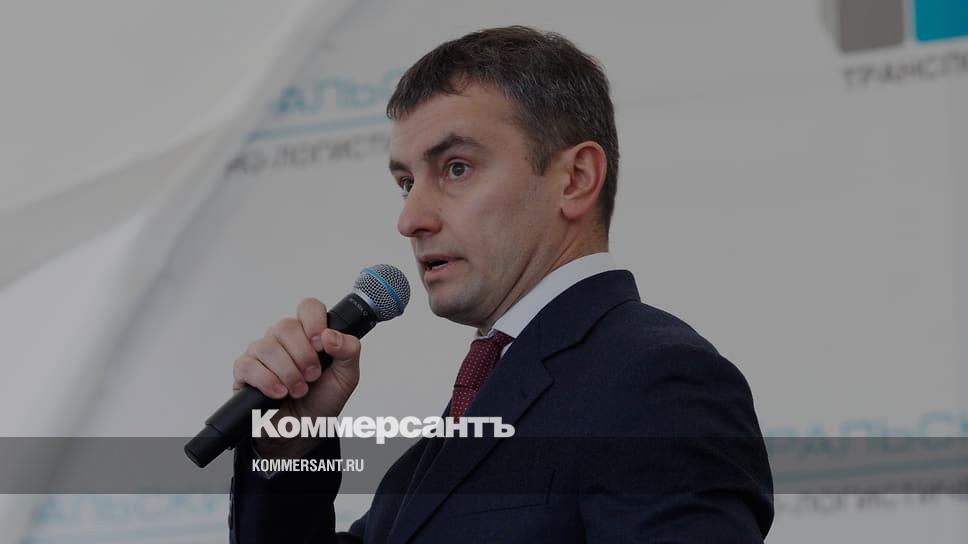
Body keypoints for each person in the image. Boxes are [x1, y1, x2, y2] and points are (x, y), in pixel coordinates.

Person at [228, 26, 773, 543]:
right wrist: (288, 446)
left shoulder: (658, 382)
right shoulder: (473, 408)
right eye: (406, 182)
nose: (410, 218)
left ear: (576, 179)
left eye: (456, 168)